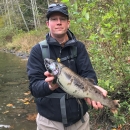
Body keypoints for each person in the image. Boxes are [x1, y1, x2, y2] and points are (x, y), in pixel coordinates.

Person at [27, 3, 107, 130]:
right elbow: (34, 88)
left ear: (68, 23)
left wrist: (93, 89)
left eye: (62, 19)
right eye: (54, 19)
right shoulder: (37, 51)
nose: (58, 22)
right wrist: (49, 86)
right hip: (49, 123)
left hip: (80, 122)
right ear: (48, 24)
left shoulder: (79, 47)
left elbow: (89, 74)